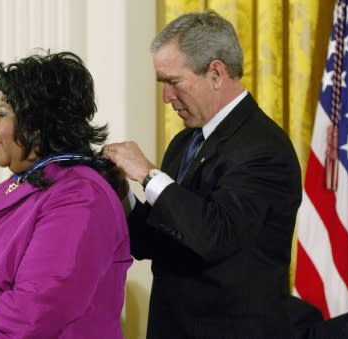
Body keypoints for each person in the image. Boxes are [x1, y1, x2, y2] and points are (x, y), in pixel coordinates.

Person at [103, 10, 302, 339]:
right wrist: (124, 193)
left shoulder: (264, 148)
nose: (167, 96)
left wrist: (149, 175)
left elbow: (215, 236)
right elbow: (159, 241)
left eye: (174, 82)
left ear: (216, 72)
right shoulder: (185, 141)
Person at [0, 51, 132, 338]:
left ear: (38, 124)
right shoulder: (11, 189)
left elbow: (33, 313)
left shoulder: (81, 196)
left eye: (2, 114)